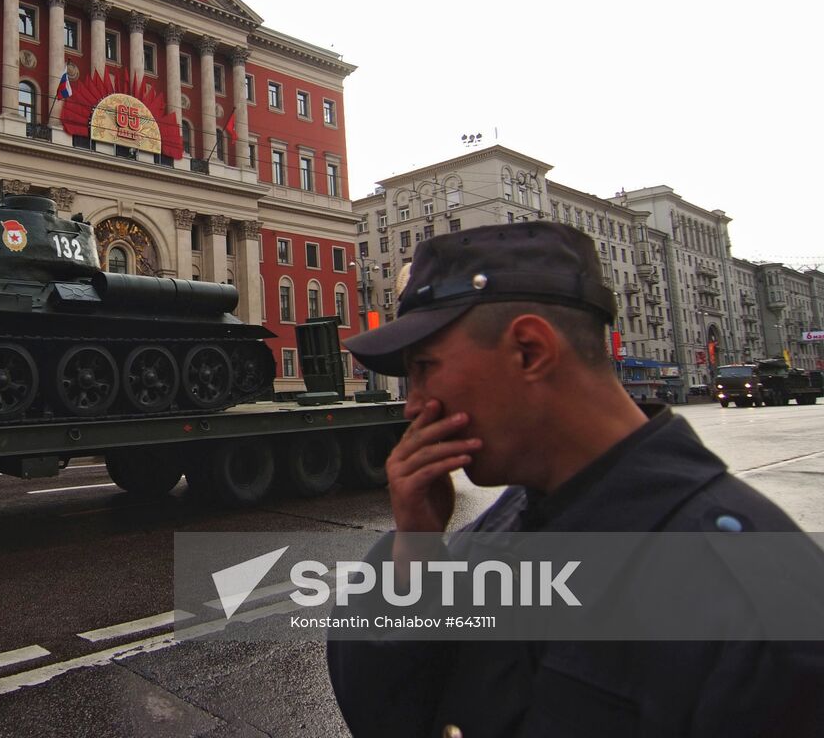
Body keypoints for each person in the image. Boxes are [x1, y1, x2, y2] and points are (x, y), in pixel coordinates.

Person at [326, 221, 823, 737]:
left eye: (425, 367)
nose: (413, 405)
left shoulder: (754, 602)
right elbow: (391, 714)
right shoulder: (496, 534)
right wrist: (417, 553)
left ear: (530, 351)